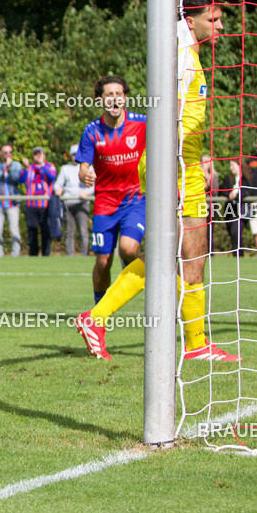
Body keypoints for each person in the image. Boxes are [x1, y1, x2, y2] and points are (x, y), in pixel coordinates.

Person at [77, 0, 240, 362]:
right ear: (192, 19)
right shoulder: (182, 55)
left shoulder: (184, 50)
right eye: (213, 19)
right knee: (187, 252)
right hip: (176, 164)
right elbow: (175, 115)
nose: (220, 26)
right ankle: (104, 319)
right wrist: (178, 162)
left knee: (178, 256)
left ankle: (189, 340)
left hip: (182, 161)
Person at [72, 77, 147, 359]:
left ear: (125, 98)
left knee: (128, 249)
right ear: (100, 100)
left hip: (135, 201)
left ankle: (103, 312)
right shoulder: (91, 131)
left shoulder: (142, 123)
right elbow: (82, 168)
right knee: (103, 261)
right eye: (108, 95)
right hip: (104, 203)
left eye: (118, 94)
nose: (114, 99)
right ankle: (98, 315)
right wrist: (85, 174)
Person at [53, 144, 92, 257]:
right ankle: (70, 256)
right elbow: (58, 184)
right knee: (69, 232)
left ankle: (84, 256)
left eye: (78, 154)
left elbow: (96, 185)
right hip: (68, 204)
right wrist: (58, 189)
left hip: (82, 203)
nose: (76, 157)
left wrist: (88, 192)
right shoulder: (66, 168)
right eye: (74, 155)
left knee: (83, 231)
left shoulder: (89, 167)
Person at [19, 147, 57, 257]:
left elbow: (52, 176)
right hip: (31, 205)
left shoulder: (49, 166)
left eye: (40, 153)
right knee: (32, 232)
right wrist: (26, 168)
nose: (38, 155)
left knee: (46, 231)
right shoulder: (29, 168)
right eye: (35, 154)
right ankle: (33, 255)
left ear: (44, 155)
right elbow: (21, 180)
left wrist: (42, 165)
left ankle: (46, 255)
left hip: (45, 205)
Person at [0, 144, 22, 257]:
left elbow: (16, 179)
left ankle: (15, 254)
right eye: (6, 152)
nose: (8, 155)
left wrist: (9, 168)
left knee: (14, 230)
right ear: (1, 154)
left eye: (10, 152)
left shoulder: (16, 165)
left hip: (12, 204)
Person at [218, 159, 247, 256]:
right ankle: (236, 255)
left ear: (239, 165)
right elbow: (223, 191)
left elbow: (248, 191)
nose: (231, 168)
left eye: (233, 165)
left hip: (242, 211)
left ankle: (239, 255)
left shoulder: (245, 179)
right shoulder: (228, 179)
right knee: (232, 233)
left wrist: (237, 195)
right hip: (230, 211)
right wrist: (229, 195)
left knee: (235, 231)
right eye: (230, 165)